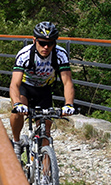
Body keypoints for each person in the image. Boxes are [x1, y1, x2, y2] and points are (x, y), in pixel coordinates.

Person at [9, 21, 75, 160]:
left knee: (46, 130)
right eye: (42, 43)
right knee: (17, 112)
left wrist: (69, 104)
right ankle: (16, 141)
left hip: (44, 89)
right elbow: (14, 84)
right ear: (34, 41)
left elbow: (67, 82)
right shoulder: (24, 55)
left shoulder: (60, 55)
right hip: (25, 87)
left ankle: (46, 174)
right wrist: (16, 104)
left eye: (50, 43)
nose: (46, 47)